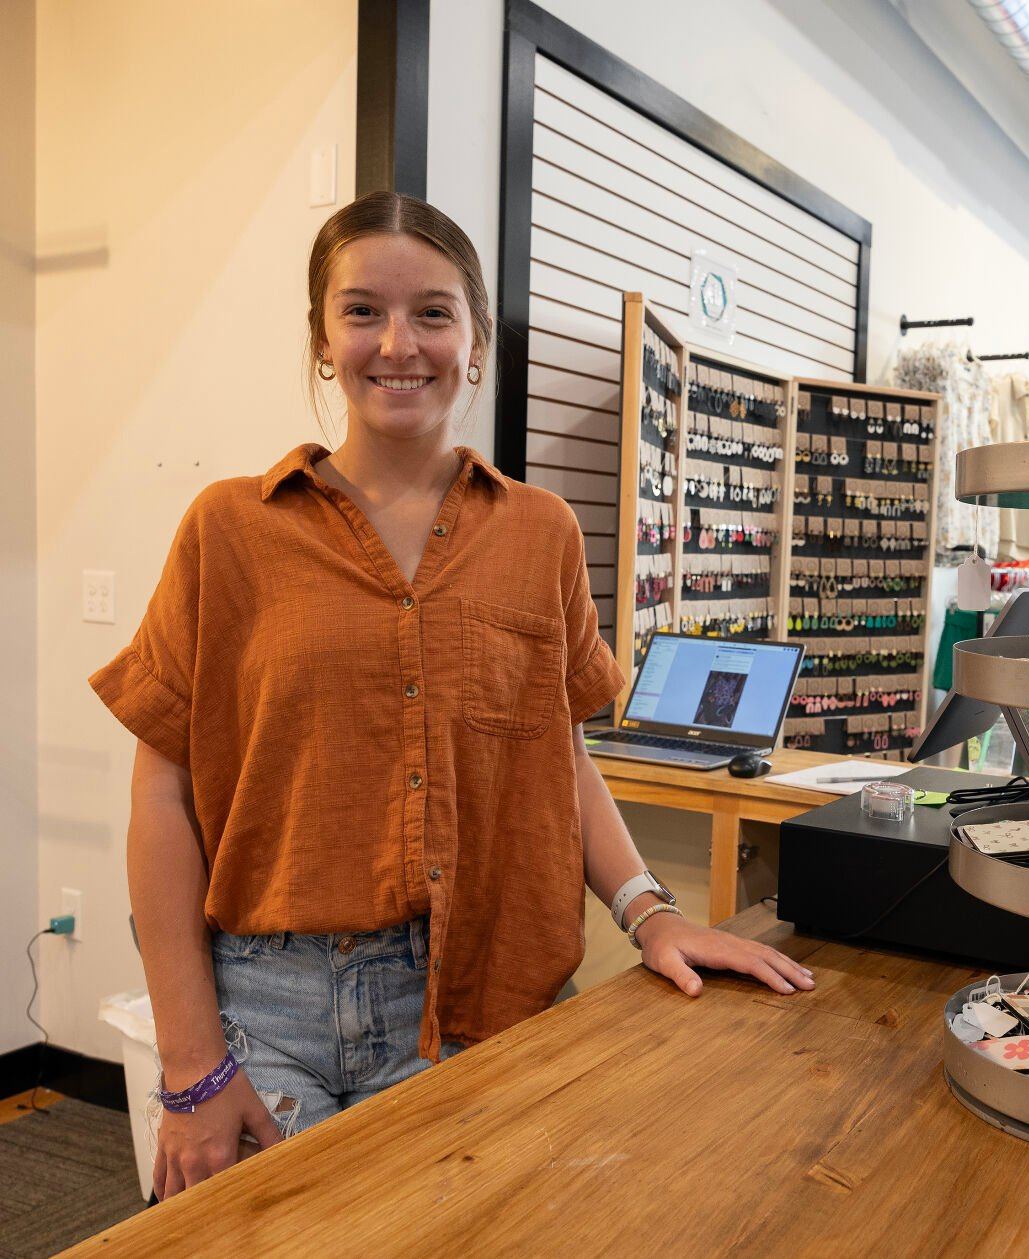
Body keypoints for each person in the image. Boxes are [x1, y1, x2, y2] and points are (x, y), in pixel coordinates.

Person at [89, 192, 814, 1201]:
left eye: (432, 312)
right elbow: (161, 799)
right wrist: (191, 1059)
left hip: (481, 995)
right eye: (361, 311)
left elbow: (554, 754)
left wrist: (649, 911)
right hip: (265, 1009)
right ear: (320, 339)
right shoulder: (227, 531)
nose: (398, 343)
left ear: (476, 339)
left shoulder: (540, 533)